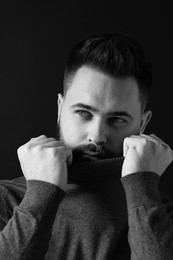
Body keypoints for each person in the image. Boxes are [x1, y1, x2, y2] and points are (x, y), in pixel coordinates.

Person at [0, 33, 173, 260]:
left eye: (117, 119)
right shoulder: (7, 198)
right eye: (83, 113)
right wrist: (40, 196)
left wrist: (143, 190)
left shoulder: (163, 214)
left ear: (143, 123)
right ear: (61, 108)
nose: (97, 136)